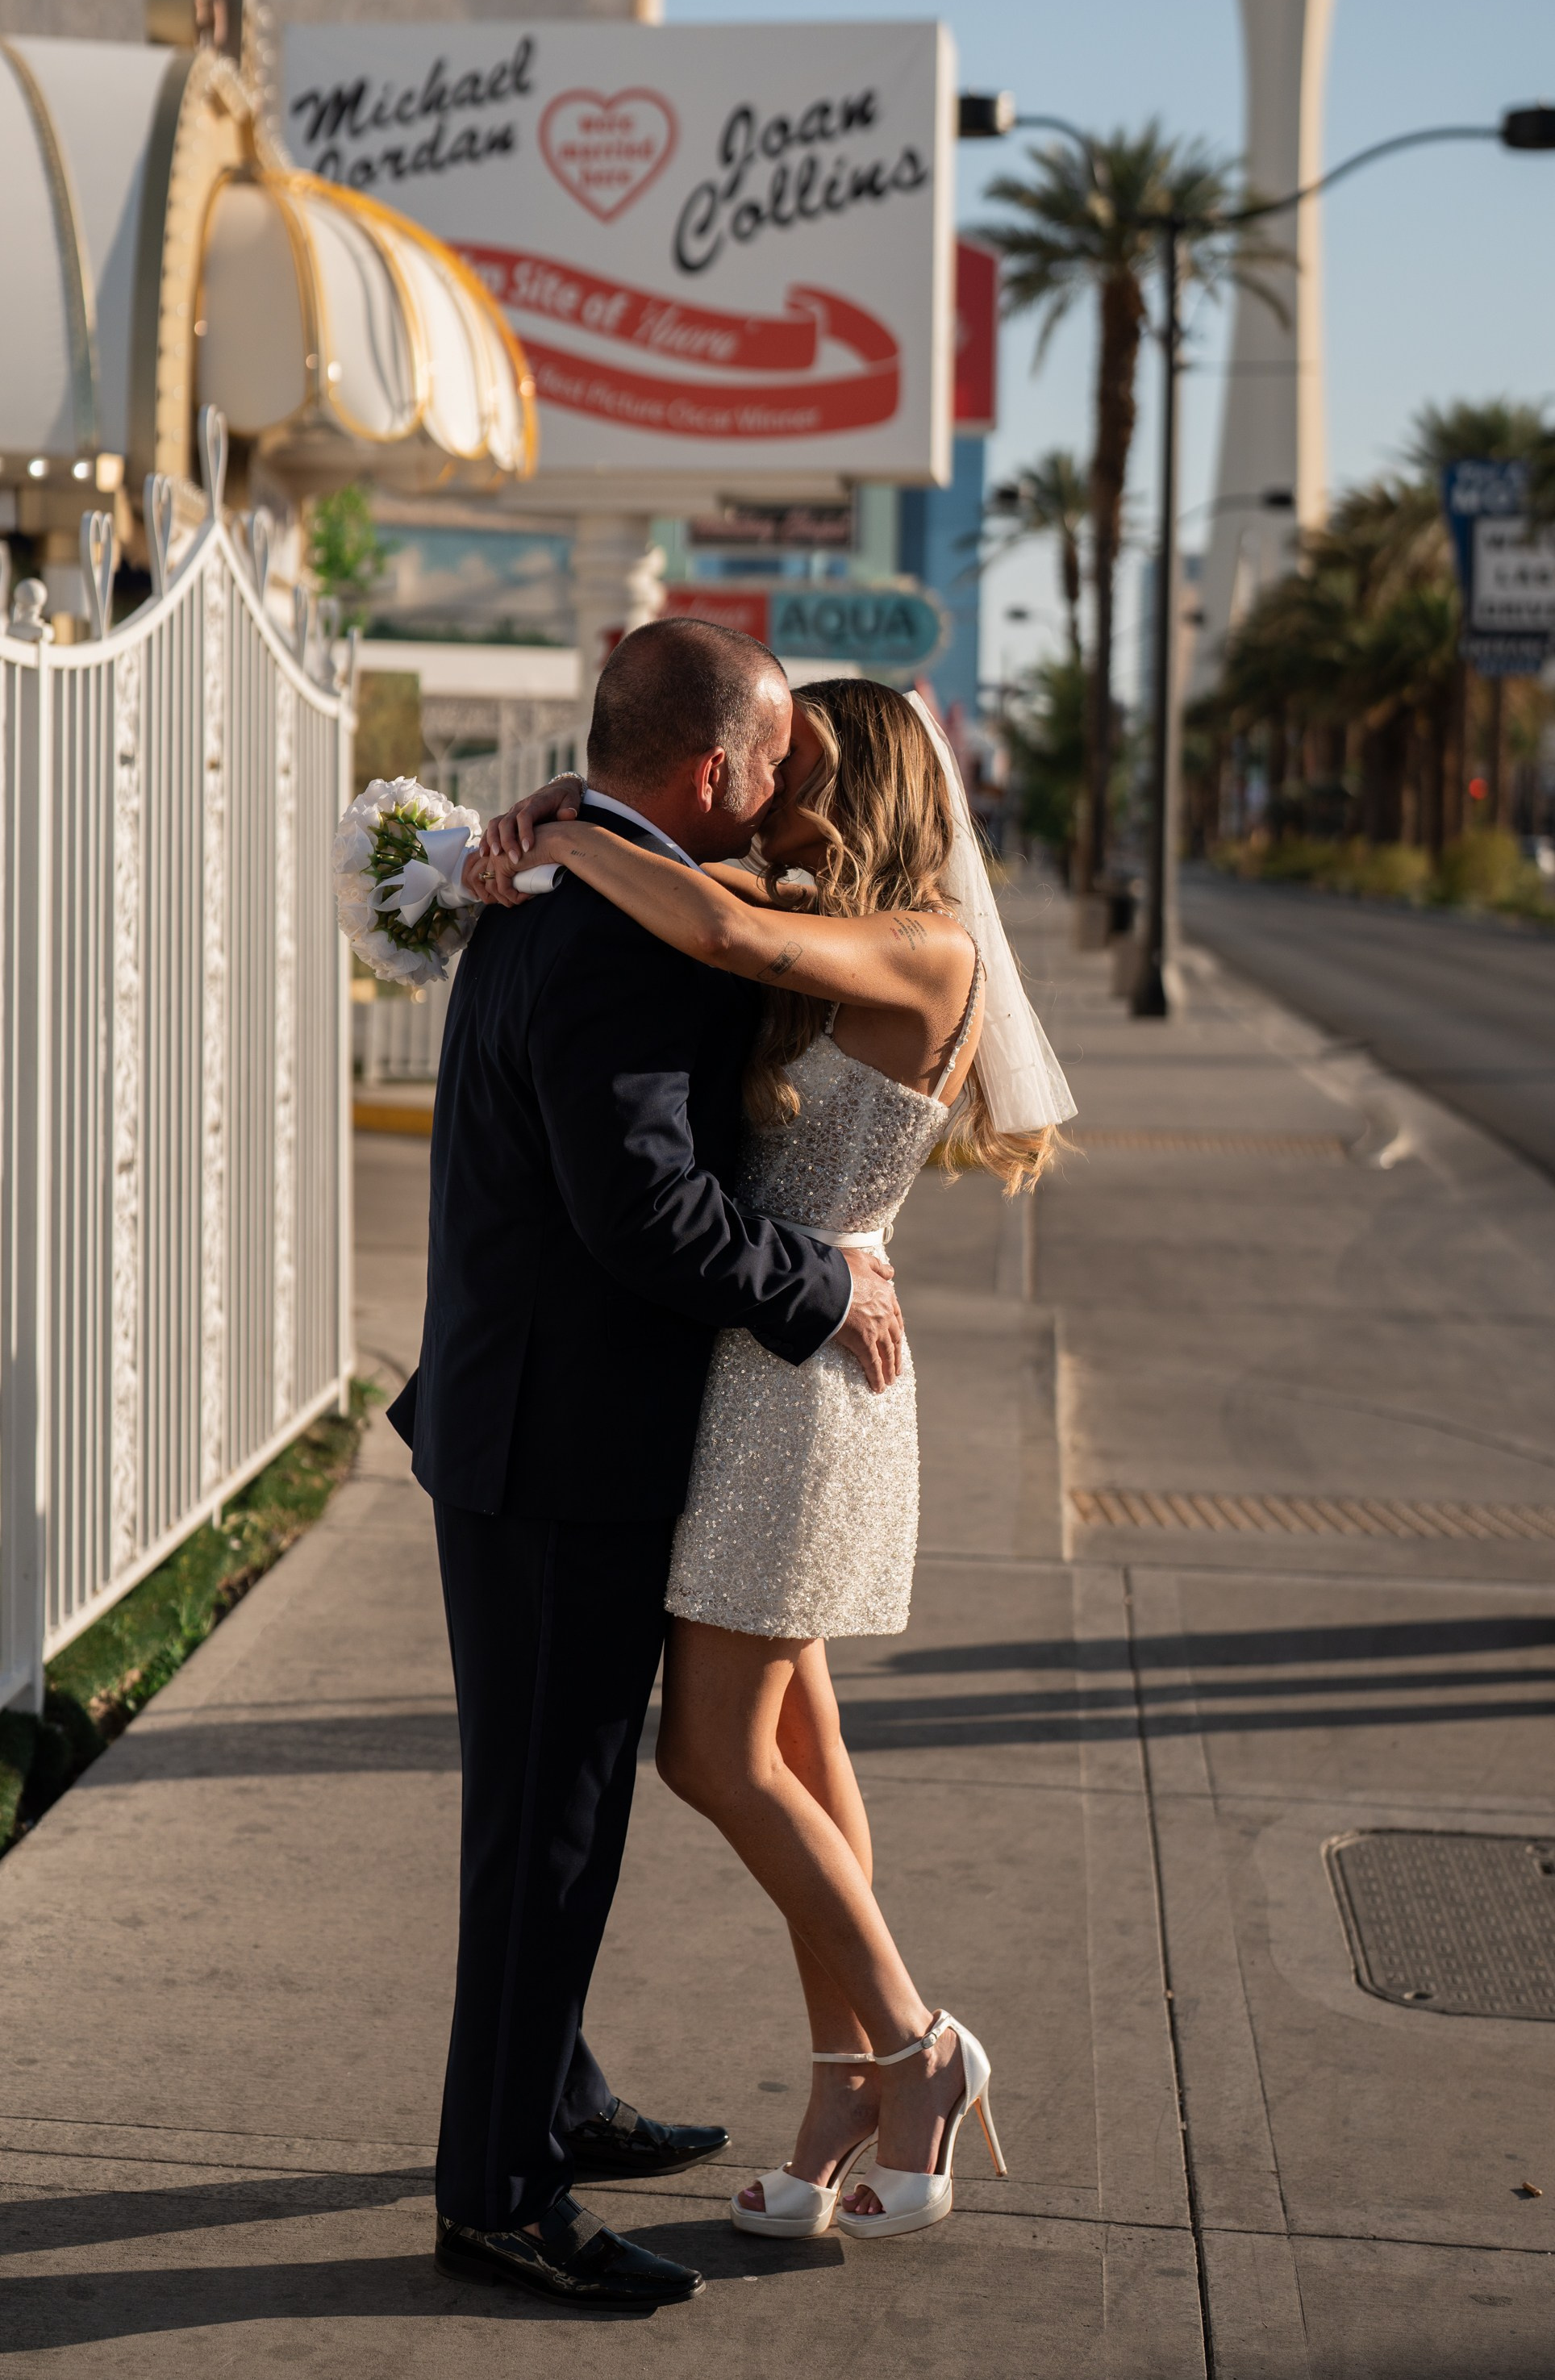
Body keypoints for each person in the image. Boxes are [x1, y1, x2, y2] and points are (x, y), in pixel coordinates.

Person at [477, 671, 1075, 2243]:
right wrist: (553, 833)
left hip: (805, 1380)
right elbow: (716, 906)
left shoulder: (921, 943)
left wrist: (558, 823)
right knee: (801, 1759)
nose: (761, 790)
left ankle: (915, 2045)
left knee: (712, 1756)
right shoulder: (817, 915)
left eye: (791, 764)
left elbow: (726, 935)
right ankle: (841, 2099)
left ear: (853, 776)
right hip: (761, 1364)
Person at [387, 620, 907, 2311]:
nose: (776, 798)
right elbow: (648, 1214)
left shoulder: (554, 879)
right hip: (559, 1448)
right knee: (548, 1832)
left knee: (547, 1812)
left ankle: (556, 2096)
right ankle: (501, 2197)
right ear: (708, 772)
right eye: (766, 768)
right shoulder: (619, 930)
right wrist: (820, 1288)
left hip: (512, 1419)